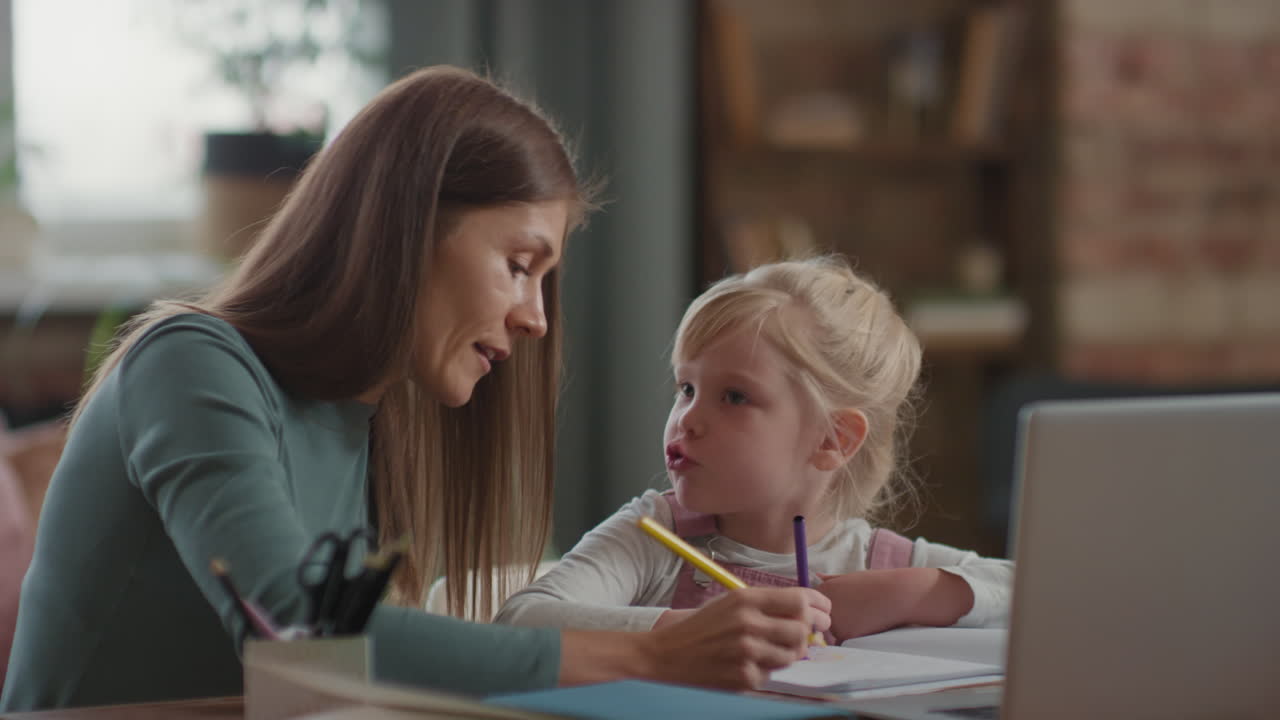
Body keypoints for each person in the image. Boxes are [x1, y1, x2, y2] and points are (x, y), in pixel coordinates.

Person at [0, 66, 830, 711]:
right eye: (518, 265)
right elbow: (300, 629)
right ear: (408, 225)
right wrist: (654, 653)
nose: (536, 318)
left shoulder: (361, 419)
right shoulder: (190, 364)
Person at [496, 257, 1012, 642]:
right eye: (687, 389)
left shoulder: (876, 563)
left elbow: (1044, 594)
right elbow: (521, 621)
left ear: (834, 440)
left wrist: (915, 593)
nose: (688, 419)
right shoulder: (654, 535)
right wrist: (701, 631)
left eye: (735, 397)